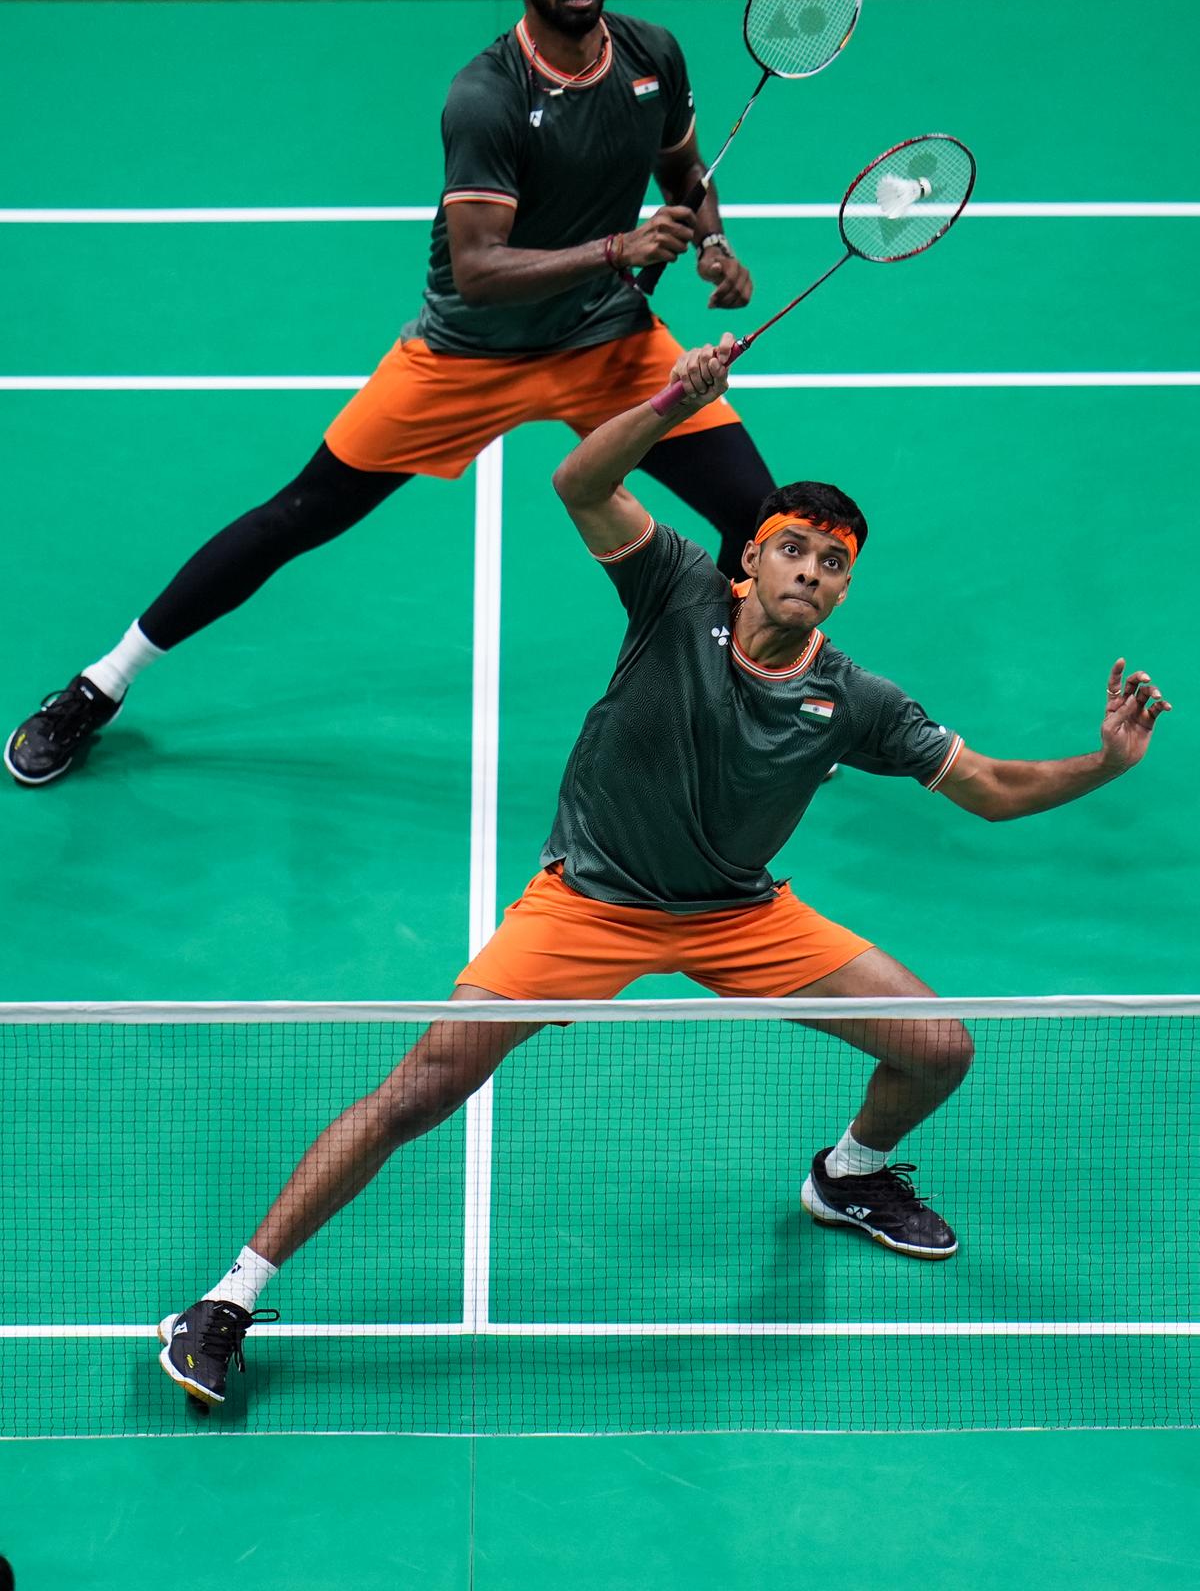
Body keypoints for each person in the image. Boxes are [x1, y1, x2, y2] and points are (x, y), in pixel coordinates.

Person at [157, 334, 1169, 1407]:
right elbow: (578, 479)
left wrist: (1105, 764)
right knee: (423, 1088)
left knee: (938, 1047)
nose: (811, 574)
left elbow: (992, 788)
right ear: (750, 561)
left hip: (739, 914)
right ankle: (228, 1297)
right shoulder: (674, 592)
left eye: (833, 565)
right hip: (590, 904)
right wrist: (672, 399)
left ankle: (850, 1175)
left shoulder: (857, 701)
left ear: (842, 591)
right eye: (793, 551)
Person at [6, 0, 770, 787]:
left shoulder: (652, 55)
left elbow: (684, 173)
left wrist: (713, 242)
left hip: (606, 341)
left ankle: (730, 700)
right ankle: (100, 687)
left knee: (759, 519)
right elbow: (480, 267)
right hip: (467, 356)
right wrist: (618, 246)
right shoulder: (486, 97)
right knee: (299, 515)